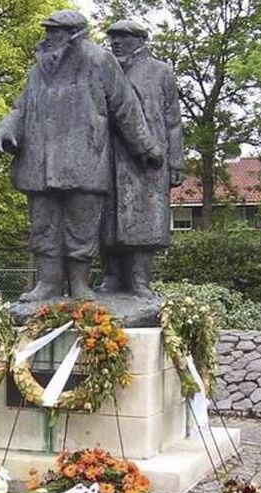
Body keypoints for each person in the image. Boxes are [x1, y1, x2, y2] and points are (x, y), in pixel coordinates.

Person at [0, 10, 162, 301]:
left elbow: (126, 108)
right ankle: (47, 284)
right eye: (47, 31)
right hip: (40, 162)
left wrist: (145, 147)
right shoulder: (38, 70)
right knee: (43, 227)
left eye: (53, 31)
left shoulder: (99, 60)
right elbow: (20, 108)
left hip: (85, 159)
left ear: (73, 34)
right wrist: (6, 128)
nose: (47, 37)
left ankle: (79, 284)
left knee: (81, 228)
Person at [98, 20, 184, 297]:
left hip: (148, 161)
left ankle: (139, 280)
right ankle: (111, 277)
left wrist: (176, 162)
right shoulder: (103, 69)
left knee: (143, 219)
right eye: (112, 37)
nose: (115, 42)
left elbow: (173, 121)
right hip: (107, 154)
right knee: (106, 219)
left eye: (122, 37)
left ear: (140, 39)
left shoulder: (161, 71)